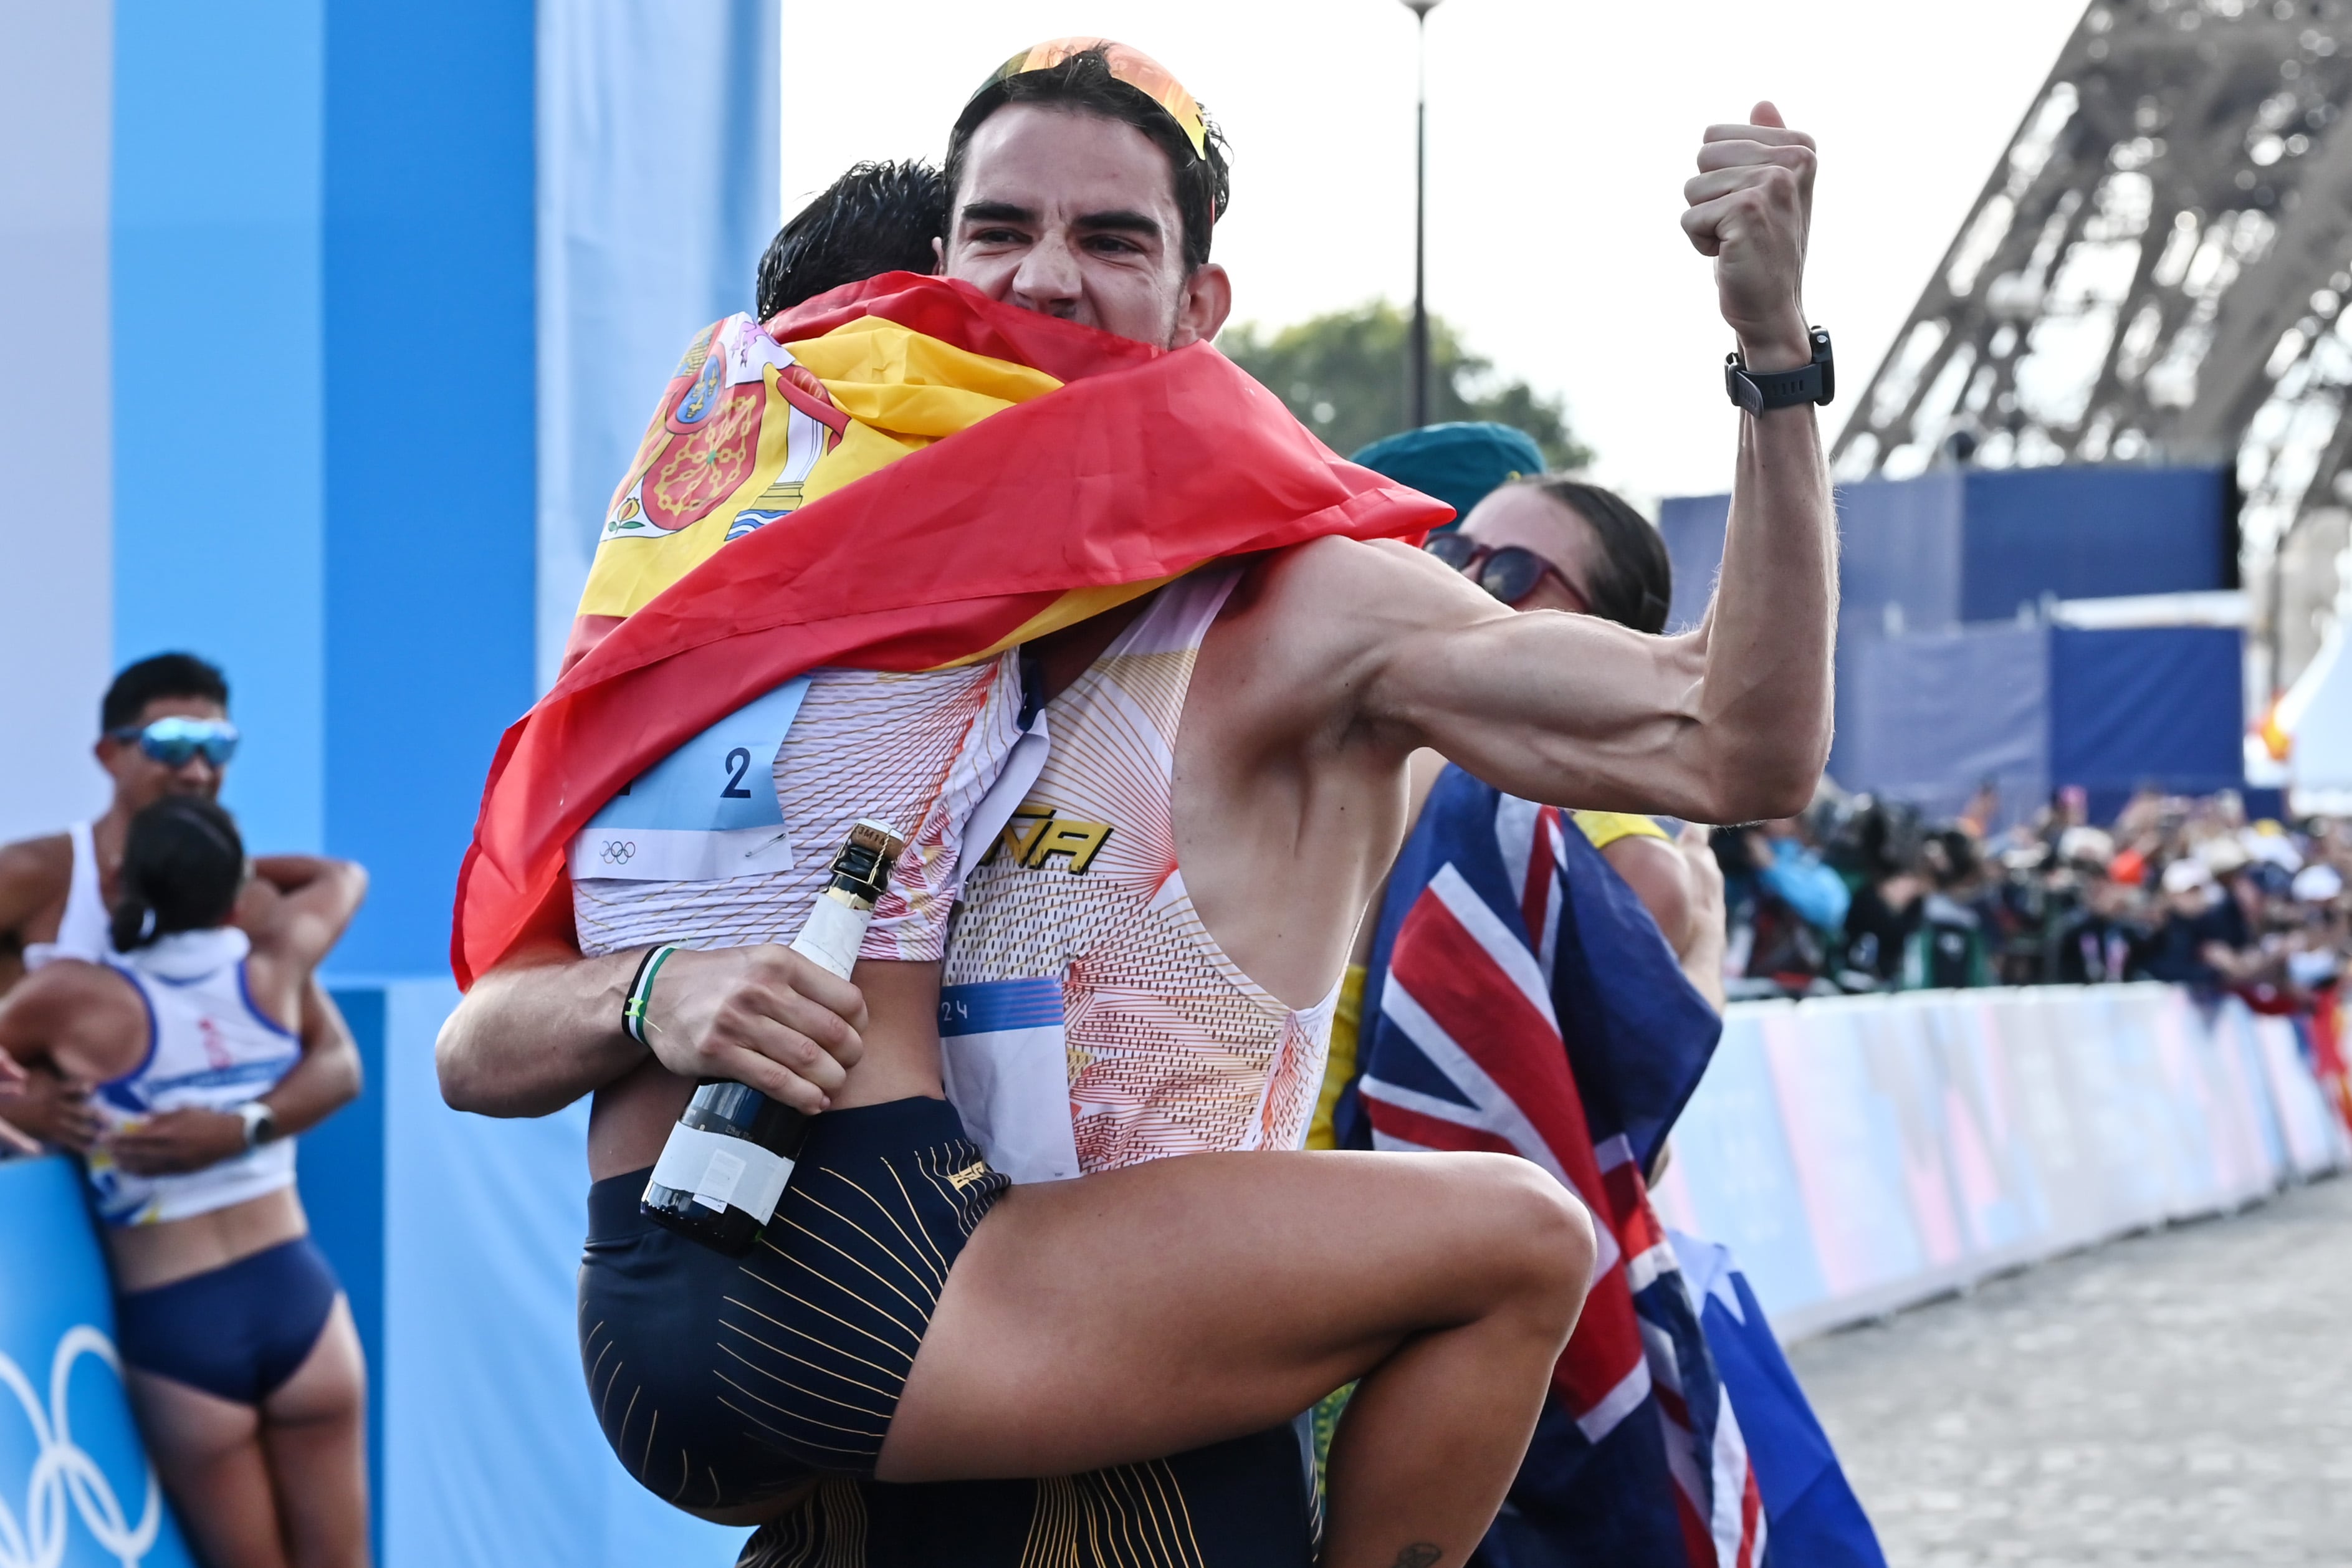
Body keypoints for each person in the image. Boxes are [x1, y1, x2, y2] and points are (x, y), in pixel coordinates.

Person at [439, 40, 1835, 1567]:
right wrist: (651, 994)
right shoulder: (846, 632)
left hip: (1149, 1490)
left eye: (1112, 240)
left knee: (1514, 1237)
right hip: (858, 1458)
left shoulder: (1314, 607)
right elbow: (492, 1030)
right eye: (999, 234)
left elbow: (1734, 748)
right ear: (934, 273)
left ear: (1198, 307)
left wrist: (1773, 365)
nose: (1043, 280)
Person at [0, 797, 370, 1568]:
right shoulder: (278, 962)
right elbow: (341, 875)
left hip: (179, 1321)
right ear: (237, 894)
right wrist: (216, 872)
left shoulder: (72, 999)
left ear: (115, 887)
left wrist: (29, 1101)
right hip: (300, 1299)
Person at [0, 654, 362, 1164]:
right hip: (39, 1210)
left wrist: (244, 1127)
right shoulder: (35, 875)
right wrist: (15, 1102)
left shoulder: (233, 900)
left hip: (180, 1231)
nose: (196, 772)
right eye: (169, 745)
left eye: (218, 748)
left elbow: (337, 1063)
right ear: (109, 754)